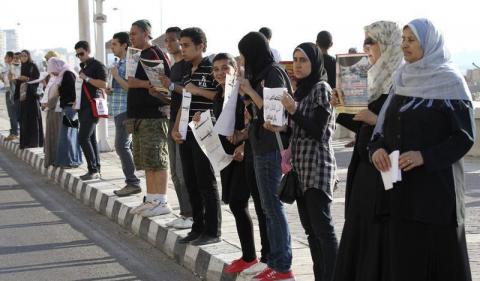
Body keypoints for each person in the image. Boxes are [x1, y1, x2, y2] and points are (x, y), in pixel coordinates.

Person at [370, 18, 474, 281]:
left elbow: (464, 137)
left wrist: (424, 157)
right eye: (403, 39)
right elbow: (384, 127)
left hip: (437, 197)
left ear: (429, 43)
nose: (404, 45)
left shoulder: (450, 82)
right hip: (402, 195)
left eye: (411, 40)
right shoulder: (402, 79)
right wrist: (377, 150)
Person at [332, 21, 404, 281]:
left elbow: (405, 124)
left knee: (379, 238)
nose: (366, 47)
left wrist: (377, 120)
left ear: (387, 44)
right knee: (359, 236)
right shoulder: (374, 75)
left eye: (371, 41)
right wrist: (341, 109)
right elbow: (362, 119)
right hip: (364, 166)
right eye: (365, 41)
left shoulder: (402, 79)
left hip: (383, 170)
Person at [274, 42, 338, 281]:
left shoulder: (322, 88)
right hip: (300, 169)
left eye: (303, 60)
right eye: (295, 60)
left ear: (315, 62)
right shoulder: (299, 91)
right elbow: (296, 131)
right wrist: (280, 126)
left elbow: (318, 131)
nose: (298, 65)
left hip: (317, 167)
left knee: (323, 229)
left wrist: (292, 111)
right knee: (311, 232)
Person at [237, 31, 294, 281]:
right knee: (267, 208)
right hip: (260, 145)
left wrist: (250, 91)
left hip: (272, 147)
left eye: (245, 55)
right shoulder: (260, 73)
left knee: (273, 207)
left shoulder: (273, 73)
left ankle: (283, 266)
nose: (243, 60)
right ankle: (274, 261)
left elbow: (275, 114)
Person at [171, 27, 221, 246]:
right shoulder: (185, 70)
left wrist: (198, 91)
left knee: (205, 181)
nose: (182, 49)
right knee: (190, 180)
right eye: (181, 45)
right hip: (187, 133)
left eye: (186, 45)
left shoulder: (212, 69)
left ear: (201, 46)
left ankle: (212, 231)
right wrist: (176, 127)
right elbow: (186, 100)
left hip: (205, 132)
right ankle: (197, 227)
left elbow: (221, 97)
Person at [126, 20, 172, 217]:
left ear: (146, 34)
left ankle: (161, 200)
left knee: (157, 160)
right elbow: (130, 81)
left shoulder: (155, 54)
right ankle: (151, 198)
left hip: (154, 116)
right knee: (146, 161)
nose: (131, 37)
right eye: (130, 34)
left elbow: (163, 84)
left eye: (134, 33)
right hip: (140, 116)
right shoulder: (137, 55)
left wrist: (142, 84)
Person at [158, 26, 193, 229]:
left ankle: (192, 214)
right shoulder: (174, 66)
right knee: (175, 173)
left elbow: (188, 91)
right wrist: (160, 92)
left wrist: (171, 86)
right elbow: (175, 95)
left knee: (182, 172)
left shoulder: (188, 66)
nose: (169, 44)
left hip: (185, 121)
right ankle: (184, 212)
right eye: (167, 41)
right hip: (173, 119)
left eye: (173, 40)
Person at [105, 31, 142, 197]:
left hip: (126, 109)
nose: (112, 47)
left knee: (121, 146)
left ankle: (132, 182)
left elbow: (130, 87)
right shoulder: (119, 62)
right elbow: (121, 88)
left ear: (124, 45)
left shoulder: (130, 61)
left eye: (114, 44)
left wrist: (115, 77)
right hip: (118, 109)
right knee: (124, 146)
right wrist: (110, 90)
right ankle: (132, 180)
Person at [75, 40, 106, 180]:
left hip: (92, 106)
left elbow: (104, 84)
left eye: (81, 53)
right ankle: (95, 170)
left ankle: (93, 169)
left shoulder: (97, 65)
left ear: (88, 51)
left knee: (82, 137)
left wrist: (86, 78)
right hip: (82, 107)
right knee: (91, 138)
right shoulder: (84, 66)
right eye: (77, 55)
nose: (80, 56)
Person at [46, 57, 83, 168]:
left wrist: (59, 90)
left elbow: (73, 91)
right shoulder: (63, 74)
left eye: (53, 69)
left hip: (70, 108)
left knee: (67, 135)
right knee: (69, 134)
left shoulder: (68, 74)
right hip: (67, 107)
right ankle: (71, 160)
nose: (52, 72)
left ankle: (69, 161)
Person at [16, 50, 43, 149]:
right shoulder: (20, 67)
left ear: (28, 56)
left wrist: (27, 79)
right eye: (21, 56)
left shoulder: (33, 66)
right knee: (24, 119)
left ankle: (34, 142)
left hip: (31, 97)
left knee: (32, 119)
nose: (23, 58)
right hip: (23, 97)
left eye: (25, 56)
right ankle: (25, 142)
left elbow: (38, 80)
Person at [42, 51, 63, 168]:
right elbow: (48, 91)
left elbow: (57, 93)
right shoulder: (52, 76)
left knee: (56, 135)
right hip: (50, 108)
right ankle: (52, 159)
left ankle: (56, 159)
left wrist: (49, 103)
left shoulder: (62, 76)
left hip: (57, 109)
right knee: (51, 134)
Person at [2, 51, 20, 141]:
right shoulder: (6, 67)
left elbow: (16, 81)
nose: (4, 58)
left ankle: (14, 133)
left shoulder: (14, 67)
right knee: (11, 113)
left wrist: (11, 79)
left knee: (13, 113)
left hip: (13, 92)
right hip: (8, 90)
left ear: (9, 58)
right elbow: (5, 81)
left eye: (5, 57)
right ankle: (13, 132)